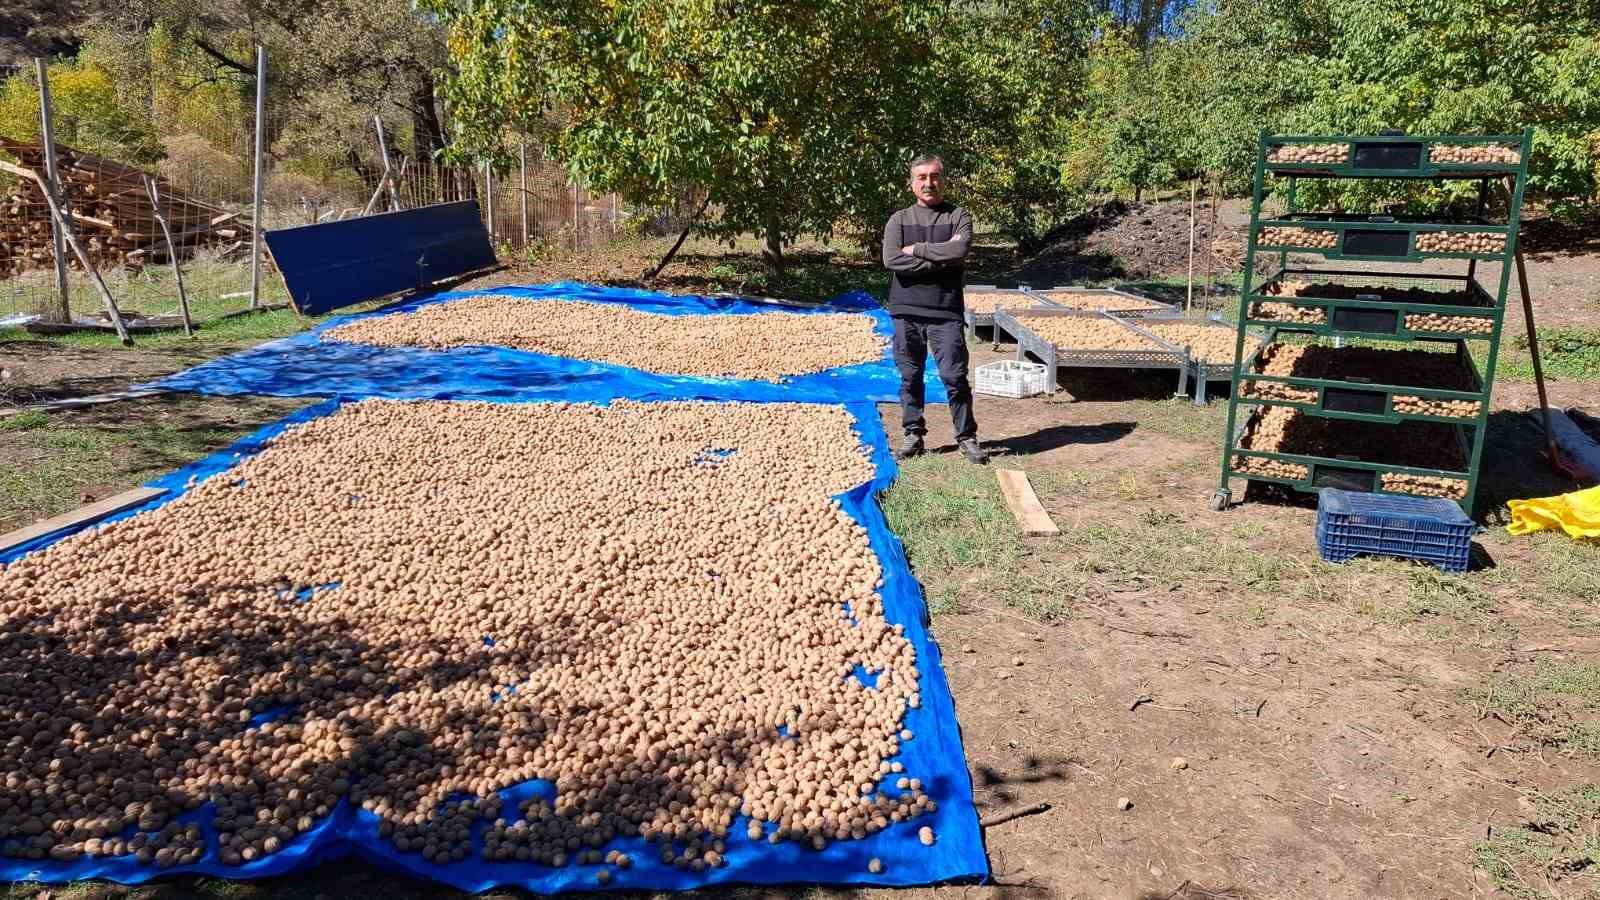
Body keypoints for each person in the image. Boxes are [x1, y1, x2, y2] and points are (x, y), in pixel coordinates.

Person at [881, 154, 987, 464]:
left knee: (955, 377)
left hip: (945, 312)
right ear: (912, 183)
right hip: (906, 311)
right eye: (922, 177)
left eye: (935, 176)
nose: (929, 183)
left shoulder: (958, 216)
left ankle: (966, 437)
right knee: (909, 376)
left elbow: (960, 249)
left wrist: (917, 250)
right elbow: (891, 260)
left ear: (944, 179)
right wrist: (940, 259)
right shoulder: (899, 219)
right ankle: (913, 435)